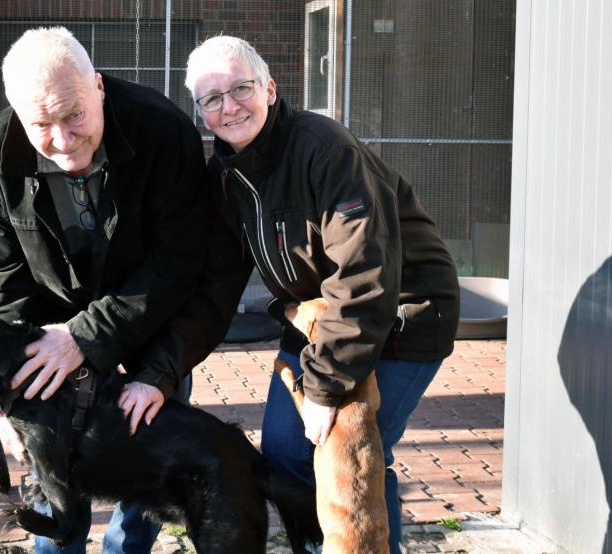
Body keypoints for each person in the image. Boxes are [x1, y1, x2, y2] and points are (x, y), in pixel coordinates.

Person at [182, 36, 461, 552]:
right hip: (313, 317)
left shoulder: (325, 150)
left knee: (347, 456)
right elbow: (216, 282)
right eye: (211, 98)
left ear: (269, 87)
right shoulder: (225, 174)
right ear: (200, 112)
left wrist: (325, 388)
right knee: (287, 454)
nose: (229, 106)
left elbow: (365, 275)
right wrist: (161, 368)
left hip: (400, 312)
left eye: (241, 87)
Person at [0, 27, 211, 553]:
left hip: (149, 315)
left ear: (98, 87)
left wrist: (85, 337)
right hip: (45, 327)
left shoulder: (164, 132)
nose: (61, 138)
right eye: (41, 125)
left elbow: (179, 262)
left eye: (74, 114)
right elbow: (1, 282)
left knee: (142, 449)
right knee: (50, 460)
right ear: (16, 115)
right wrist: (3, 396)